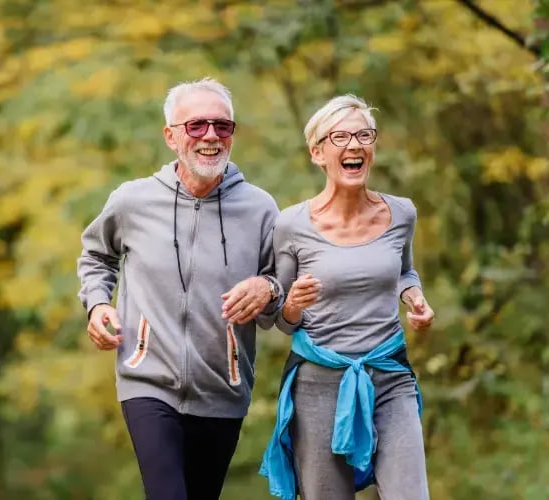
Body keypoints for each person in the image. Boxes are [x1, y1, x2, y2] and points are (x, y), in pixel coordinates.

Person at [77, 77, 283, 500]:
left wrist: (268, 287)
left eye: (222, 126)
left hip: (223, 387)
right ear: (171, 136)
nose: (210, 135)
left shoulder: (261, 209)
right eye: (196, 126)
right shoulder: (132, 201)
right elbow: (96, 256)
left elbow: (281, 295)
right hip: (146, 379)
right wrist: (97, 304)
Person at [260, 94, 435, 500]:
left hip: (389, 375)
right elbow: (279, 320)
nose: (353, 145)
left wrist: (415, 297)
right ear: (317, 153)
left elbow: (403, 272)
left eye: (363, 135)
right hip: (318, 384)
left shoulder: (401, 213)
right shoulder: (291, 225)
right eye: (339, 137)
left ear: (373, 147)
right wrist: (293, 304)